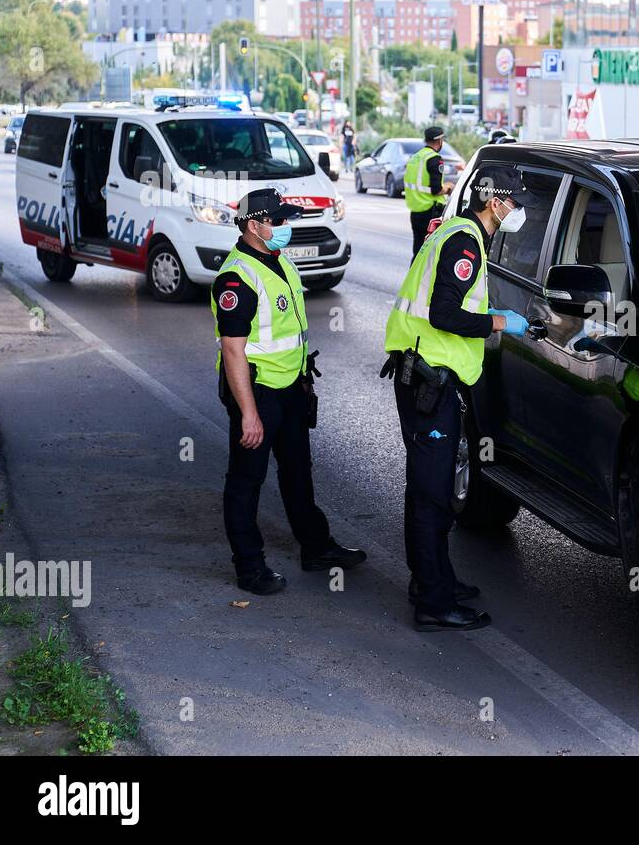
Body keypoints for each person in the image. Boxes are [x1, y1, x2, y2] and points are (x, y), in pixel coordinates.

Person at [382, 164, 531, 631]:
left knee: (427, 488)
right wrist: (498, 322)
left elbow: (448, 302)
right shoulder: (465, 242)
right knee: (431, 494)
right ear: (495, 202)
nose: (518, 211)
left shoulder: (456, 232)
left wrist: (486, 311)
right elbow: (445, 314)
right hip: (430, 381)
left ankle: (432, 578)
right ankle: (434, 602)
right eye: (515, 202)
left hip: (424, 376)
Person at [212, 187, 367, 595]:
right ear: (253, 226)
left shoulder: (278, 262)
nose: (285, 227)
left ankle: (315, 547)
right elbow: (233, 349)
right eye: (277, 221)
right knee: (246, 481)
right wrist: (248, 412)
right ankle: (249, 567)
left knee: (298, 472)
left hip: (291, 389)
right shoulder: (237, 277)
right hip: (258, 393)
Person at [403, 126, 452, 256]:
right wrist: (448, 188)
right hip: (430, 212)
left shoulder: (415, 157)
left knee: (418, 252)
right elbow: (436, 190)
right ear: (439, 140)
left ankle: (414, 276)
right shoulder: (434, 159)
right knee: (430, 254)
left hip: (415, 211)